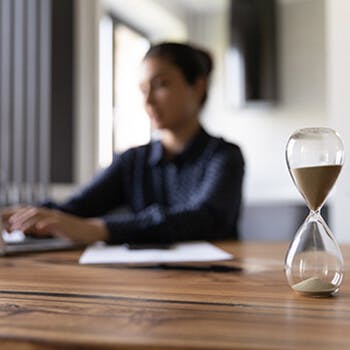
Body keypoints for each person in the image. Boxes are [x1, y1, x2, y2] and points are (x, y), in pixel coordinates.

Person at [1, 42, 244, 245]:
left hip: (215, 282)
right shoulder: (133, 161)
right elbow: (76, 208)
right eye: (142, 89)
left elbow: (206, 219)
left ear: (197, 86)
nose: (148, 100)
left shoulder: (224, 156)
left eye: (161, 85)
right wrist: (22, 215)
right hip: (147, 285)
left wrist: (100, 229)